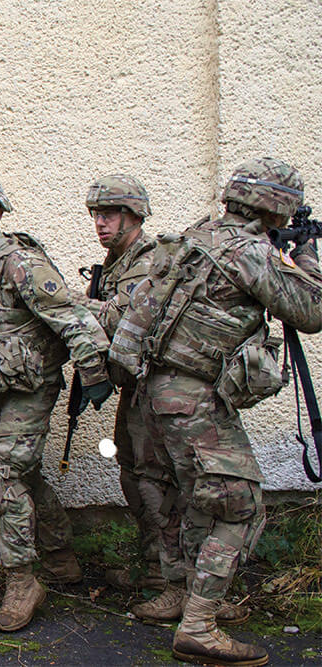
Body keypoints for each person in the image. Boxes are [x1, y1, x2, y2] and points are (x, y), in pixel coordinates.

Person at [111, 157, 322, 666]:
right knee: (240, 505)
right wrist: (308, 256)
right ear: (278, 208)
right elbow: (312, 311)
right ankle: (199, 625)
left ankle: (185, 595)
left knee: (199, 498)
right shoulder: (251, 252)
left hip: (156, 393)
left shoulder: (196, 237)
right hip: (194, 398)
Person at [0, 171, 112, 632]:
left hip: (32, 385)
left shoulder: (21, 262)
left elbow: (72, 315)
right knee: (24, 472)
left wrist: (93, 373)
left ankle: (22, 583)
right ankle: (60, 558)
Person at [81, 175, 179, 595]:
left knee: (152, 477)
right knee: (132, 471)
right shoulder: (118, 261)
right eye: (96, 215)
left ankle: (166, 574)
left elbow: (118, 320)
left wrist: (67, 303)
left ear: (134, 215)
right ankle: (152, 563)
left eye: (109, 214)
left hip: (154, 385)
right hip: (133, 386)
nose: (100, 223)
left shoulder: (148, 262)